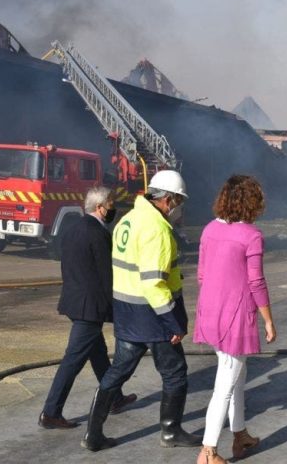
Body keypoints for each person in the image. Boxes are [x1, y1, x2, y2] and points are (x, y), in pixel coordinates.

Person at [81, 170, 203, 451]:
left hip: (127, 312)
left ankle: (93, 433)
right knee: (175, 373)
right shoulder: (157, 230)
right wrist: (173, 321)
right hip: (153, 315)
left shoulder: (128, 220)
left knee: (117, 372)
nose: (180, 208)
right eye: (179, 202)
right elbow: (153, 282)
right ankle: (171, 432)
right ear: (168, 200)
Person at [38, 186, 136, 430]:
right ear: (100, 207)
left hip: (74, 301)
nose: (113, 208)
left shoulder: (72, 230)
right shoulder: (99, 235)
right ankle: (51, 412)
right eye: (111, 204)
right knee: (72, 361)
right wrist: (118, 310)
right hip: (89, 308)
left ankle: (114, 397)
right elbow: (106, 276)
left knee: (99, 354)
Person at [194, 175, 276, 464]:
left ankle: (240, 435)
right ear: (252, 202)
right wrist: (267, 319)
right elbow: (256, 282)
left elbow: (202, 275)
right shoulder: (251, 235)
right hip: (235, 317)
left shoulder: (209, 229)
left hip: (209, 311)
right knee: (226, 384)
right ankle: (208, 452)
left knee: (237, 377)